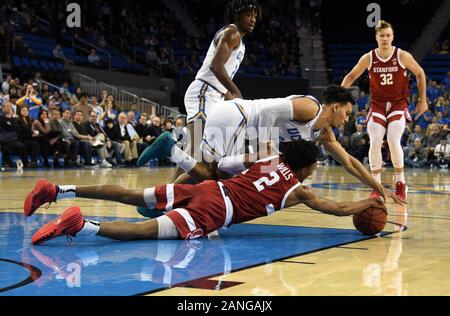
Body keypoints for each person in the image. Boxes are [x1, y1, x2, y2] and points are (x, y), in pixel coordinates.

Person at [24, 140, 386, 244]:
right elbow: (338, 209)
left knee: (132, 195)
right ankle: (82, 226)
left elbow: (233, 164)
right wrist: (370, 201)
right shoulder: (301, 190)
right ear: (306, 168)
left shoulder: (269, 157)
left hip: (209, 187)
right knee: (142, 232)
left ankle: (59, 189)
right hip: (213, 212)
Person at [139, 85, 403, 204]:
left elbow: (350, 163)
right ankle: (170, 150)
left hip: (237, 124)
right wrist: (265, 146)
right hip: (237, 116)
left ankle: (158, 199)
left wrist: (379, 188)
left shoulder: (322, 132)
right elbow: (267, 113)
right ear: (335, 107)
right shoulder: (309, 107)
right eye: (346, 113)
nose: (346, 120)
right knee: (214, 174)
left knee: (209, 172)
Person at [341, 20, 428, 201]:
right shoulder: (369, 57)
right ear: (376, 38)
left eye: (388, 35)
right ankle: (376, 185)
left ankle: (401, 182)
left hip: (398, 105)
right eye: (382, 35)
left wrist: (423, 100)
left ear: (393, 37)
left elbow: (420, 73)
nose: (385, 38)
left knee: (393, 139)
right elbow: (350, 76)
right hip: (378, 105)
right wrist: (340, 98)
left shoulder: (402, 55)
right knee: (374, 141)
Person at [180, 0, 261, 179]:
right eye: (249, 15)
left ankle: (174, 195)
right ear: (237, 15)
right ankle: (163, 197)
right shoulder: (232, 33)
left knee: (204, 152)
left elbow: (221, 73)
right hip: (203, 92)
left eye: (255, 16)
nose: (253, 19)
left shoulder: (240, 41)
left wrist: (228, 97)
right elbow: (216, 66)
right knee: (195, 147)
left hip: (213, 94)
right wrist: (236, 93)